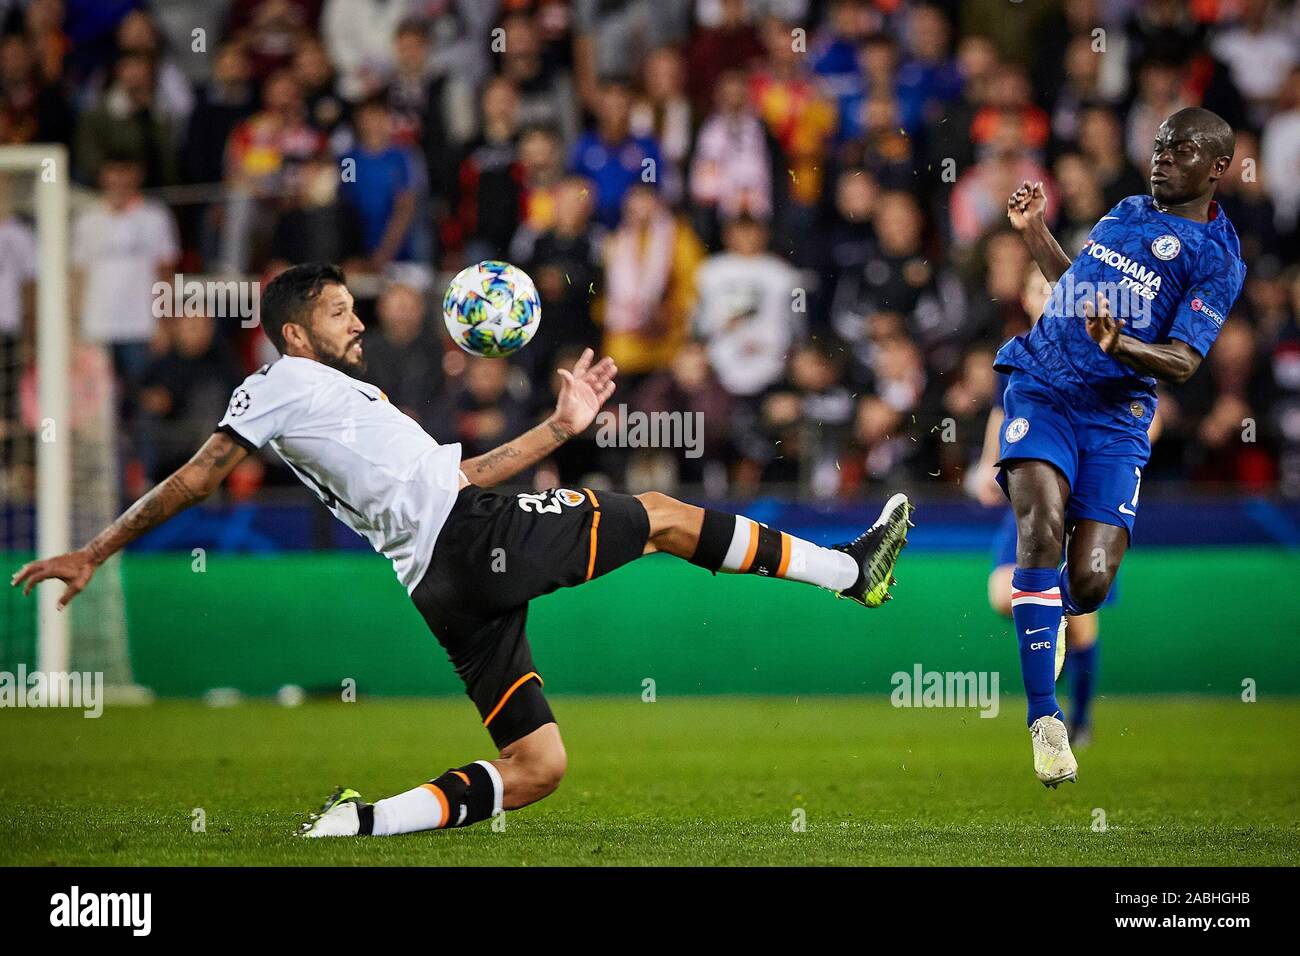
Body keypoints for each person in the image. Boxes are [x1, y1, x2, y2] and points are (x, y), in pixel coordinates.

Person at [11, 263, 914, 839]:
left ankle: (357, 827)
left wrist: (558, 427)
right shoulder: (279, 384)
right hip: (469, 541)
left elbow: (465, 471)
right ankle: (848, 572)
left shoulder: (347, 404)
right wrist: (95, 550)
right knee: (668, 516)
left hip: (442, 576)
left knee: (538, 770)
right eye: (339, 314)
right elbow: (201, 473)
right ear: (294, 334)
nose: (357, 325)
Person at [999, 107, 1246, 787]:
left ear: (1218, 167)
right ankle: (1046, 723)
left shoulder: (1217, 259)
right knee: (1041, 526)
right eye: (1160, 143)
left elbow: (1184, 362)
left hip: (1116, 419)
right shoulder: (1127, 209)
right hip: (1043, 383)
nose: (1162, 156)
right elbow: (1076, 292)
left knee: (1090, 582)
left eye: (1183, 149)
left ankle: (1050, 619)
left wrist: (1124, 347)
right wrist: (1036, 233)